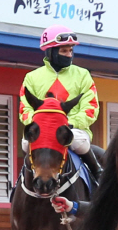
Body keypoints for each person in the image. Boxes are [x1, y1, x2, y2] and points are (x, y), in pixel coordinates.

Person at [18, 26, 103, 180]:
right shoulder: (32, 77)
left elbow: (91, 108)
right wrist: (39, 124)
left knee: (80, 141)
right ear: (51, 51)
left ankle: (98, 175)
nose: (69, 54)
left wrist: (69, 123)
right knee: (25, 143)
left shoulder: (83, 75)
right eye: (64, 51)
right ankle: (21, 183)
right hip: (41, 130)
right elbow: (25, 109)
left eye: (70, 50)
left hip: (72, 129)